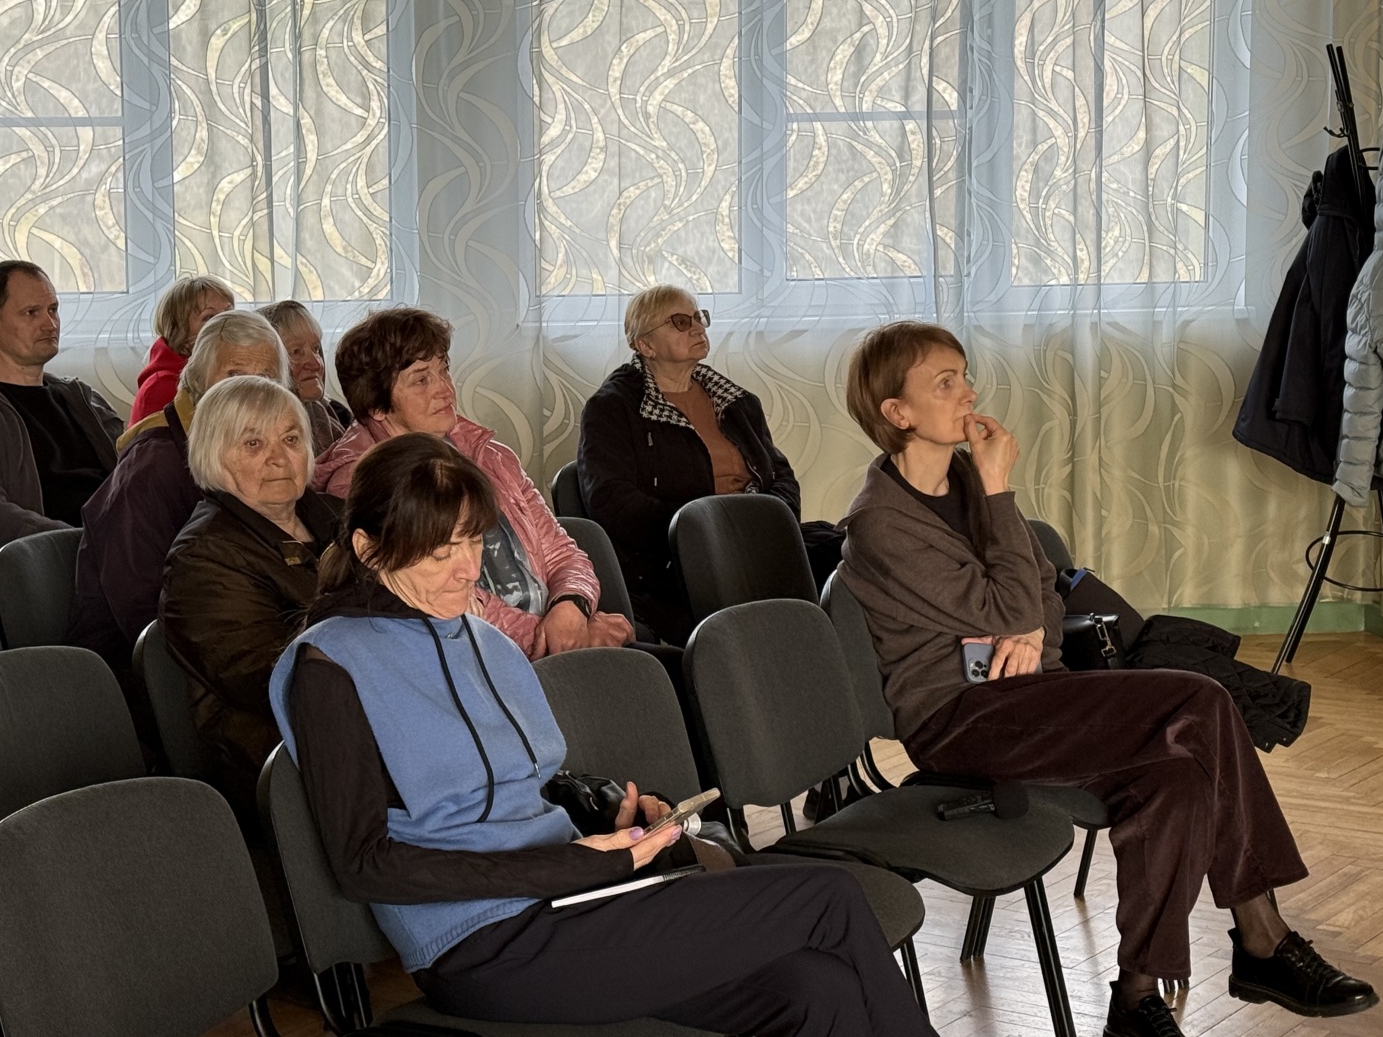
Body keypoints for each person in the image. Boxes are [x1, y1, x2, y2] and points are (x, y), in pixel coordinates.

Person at [268, 434, 934, 1036]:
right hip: (482, 945)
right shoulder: (330, 666)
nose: (468, 570)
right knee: (829, 897)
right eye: (441, 552)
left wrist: (606, 816)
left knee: (816, 990)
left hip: (573, 903)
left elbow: (521, 783)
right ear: (368, 548)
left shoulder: (485, 641)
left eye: (473, 542)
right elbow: (364, 863)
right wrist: (572, 864)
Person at [838, 321, 1379, 1037]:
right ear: (896, 411)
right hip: (961, 718)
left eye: (965, 374)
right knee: (1199, 696)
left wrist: (1030, 628)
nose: (969, 392)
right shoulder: (882, 524)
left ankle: (1135, 996)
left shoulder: (966, 481)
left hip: (1035, 700)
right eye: (945, 382)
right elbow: (1011, 602)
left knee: (1176, 782)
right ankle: (1263, 938)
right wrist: (1001, 501)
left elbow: (1044, 587)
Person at [315, 307, 631, 659]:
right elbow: (442, 597)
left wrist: (572, 607)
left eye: (443, 369)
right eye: (421, 380)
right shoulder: (361, 483)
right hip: (478, 658)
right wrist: (558, 639)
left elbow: (561, 552)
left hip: (553, 636)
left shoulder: (491, 455)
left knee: (660, 671)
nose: (445, 389)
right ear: (376, 405)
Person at [577, 284, 841, 645]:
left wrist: (770, 521)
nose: (698, 328)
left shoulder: (735, 402)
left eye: (698, 318)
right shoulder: (613, 408)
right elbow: (612, 501)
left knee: (847, 552)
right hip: (675, 556)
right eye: (680, 321)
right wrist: (703, 529)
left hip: (753, 535)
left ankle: (832, 668)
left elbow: (780, 475)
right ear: (645, 345)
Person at [67, 310, 291, 675]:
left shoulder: (268, 457)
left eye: (265, 379)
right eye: (233, 376)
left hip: (241, 641)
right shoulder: (155, 464)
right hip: (143, 672)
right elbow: (144, 613)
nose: (249, 393)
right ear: (198, 382)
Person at [159, 376, 337, 819]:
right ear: (213, 455)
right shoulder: (204, 556)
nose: (278, 457)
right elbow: (277, 682)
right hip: (274, 757)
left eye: (291, 439)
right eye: (253, 444)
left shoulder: (337, 519)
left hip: (356, 719)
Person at [0, 260, 121, 580]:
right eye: (31, 313)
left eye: (53, 310)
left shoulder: (81, 399)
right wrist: (86, 542)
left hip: (124, 551)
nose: (49, 324)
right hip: (47, 571)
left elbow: (136, 471)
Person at [129, 274, 236, 425]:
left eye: (229, 312)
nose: (227, 322)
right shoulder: (162, 387)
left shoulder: (226, 369)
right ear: (179, 330)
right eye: (209, 317)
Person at [257, 299, 352, 454]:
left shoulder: (337, 414)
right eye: (296, 352)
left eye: (316, 349)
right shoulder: (256, 434)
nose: (316, 364)